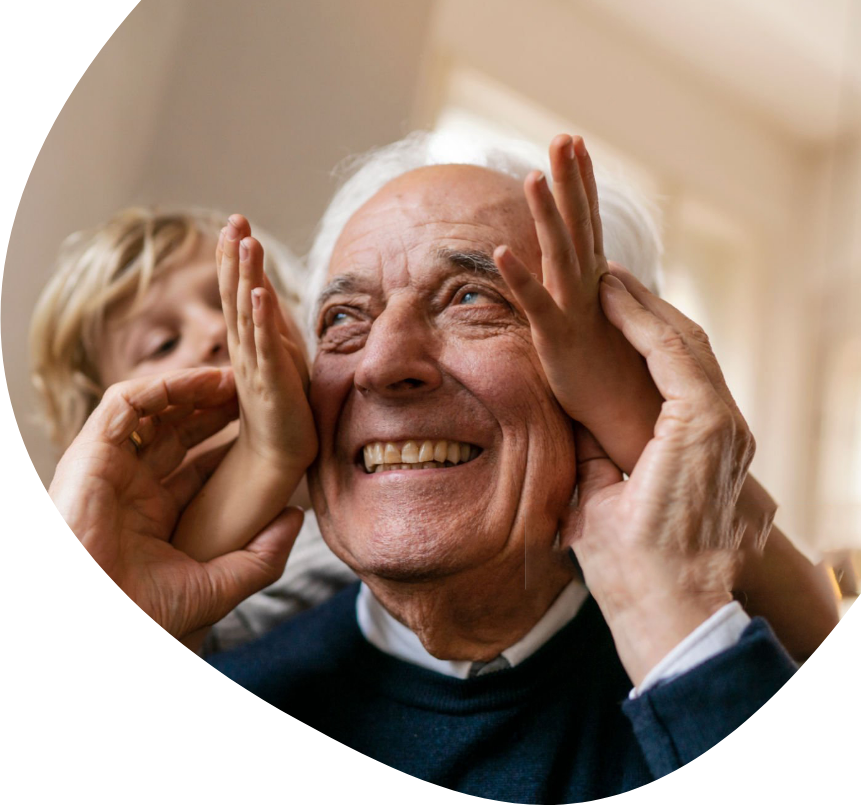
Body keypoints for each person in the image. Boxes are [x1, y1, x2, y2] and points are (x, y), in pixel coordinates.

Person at [31, 208, 355, 652]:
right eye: (163, 343)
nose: (213, 330)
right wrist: (267, 454)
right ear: (124, 438)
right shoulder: (219, 614)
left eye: (227, 297)